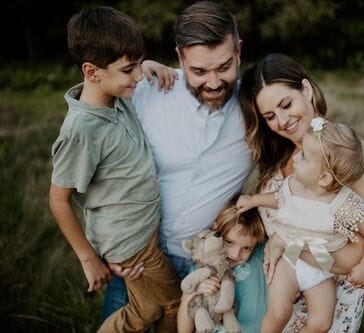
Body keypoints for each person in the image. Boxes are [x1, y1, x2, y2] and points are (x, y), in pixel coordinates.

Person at [101, 0, 254, 321]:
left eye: (224, 67)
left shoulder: (256, 108)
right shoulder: (147, 89)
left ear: (238, 50)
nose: (213, 82)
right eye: (199, 71)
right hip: (137, 254)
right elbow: (92, 141)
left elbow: (317, 141)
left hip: (207, 261)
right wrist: (106, 245)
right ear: (180, 57)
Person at [48, 6, 180, 332]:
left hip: (142, 230)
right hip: (130, 242)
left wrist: (145, 65)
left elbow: (132, 72)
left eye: (137, 65)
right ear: (92, 72)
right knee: (175, 304)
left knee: (150, 307)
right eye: (128, 69)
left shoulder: (116, 97)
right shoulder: (83, 131)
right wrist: (89, 259)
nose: (137, 77)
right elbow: (58, 200)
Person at [235, 52, 364, 332]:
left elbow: (357, 254)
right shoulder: (282, 154)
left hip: (329, 300)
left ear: (306, 89)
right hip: (282, 295)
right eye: (269, 116)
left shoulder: (343, 155)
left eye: (286, 104)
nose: (281, 120)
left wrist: (292, 245)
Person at [177, 197, 268, 332]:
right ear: (215, 229)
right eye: (229, 242)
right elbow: (184, 330)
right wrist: (193, 293)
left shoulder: (260, 254)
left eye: (247, 248)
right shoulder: (202, 268)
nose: (235, 254)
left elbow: (292, 242)